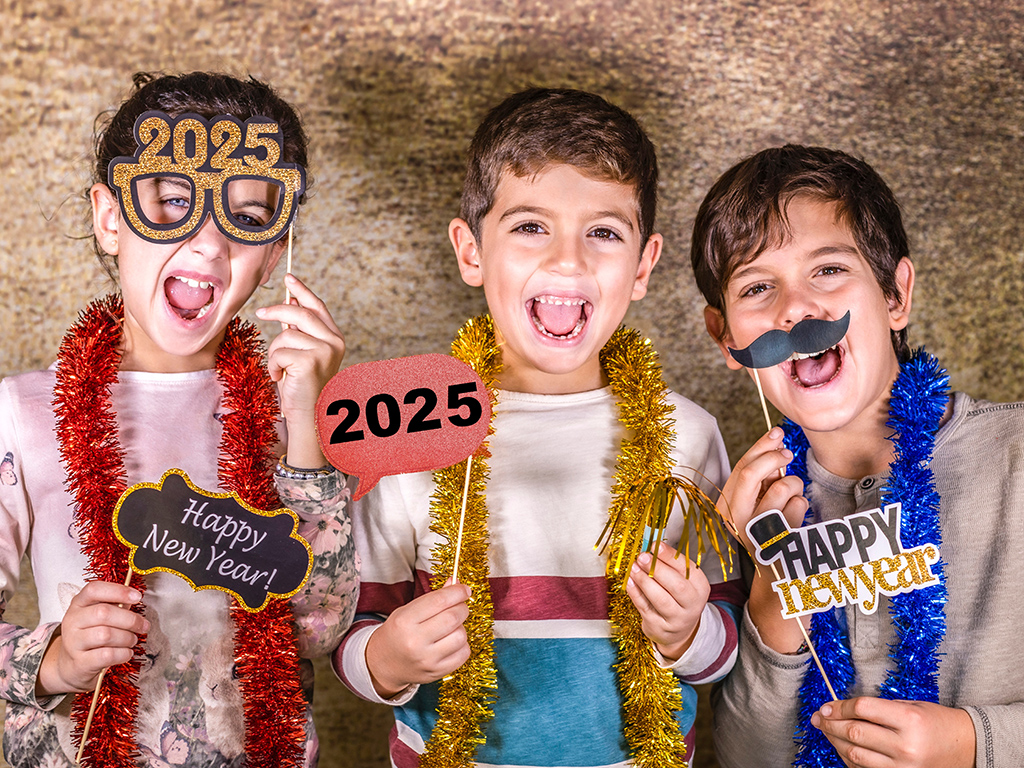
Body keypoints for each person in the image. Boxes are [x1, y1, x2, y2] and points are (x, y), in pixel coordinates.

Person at [333, 87, 742, 768]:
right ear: (471, 251)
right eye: (530, 226)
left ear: (643, 264)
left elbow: (725, 649)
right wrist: (389, 656)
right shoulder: (402, 428)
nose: (567, 261)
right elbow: (349, 635)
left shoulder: (687, 437)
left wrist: (688, 631)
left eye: (604, 232)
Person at [0, 72, 357, 768]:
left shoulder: (294, 410)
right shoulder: (21, 413)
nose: (209, 244)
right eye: (170, 202)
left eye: (248, 219)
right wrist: (53, 660)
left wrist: (307, 429)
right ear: (110, 219)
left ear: (276, 252)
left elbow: (315, 628)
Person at [692, 144, 1024, 768]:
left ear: (896, 295)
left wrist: (973, 742)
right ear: (727, 340)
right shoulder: (754, 509)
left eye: (827, 270)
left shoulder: (1017, 461)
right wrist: (775, 577)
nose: (794, 309)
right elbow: (746, 757)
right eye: (758, 287)